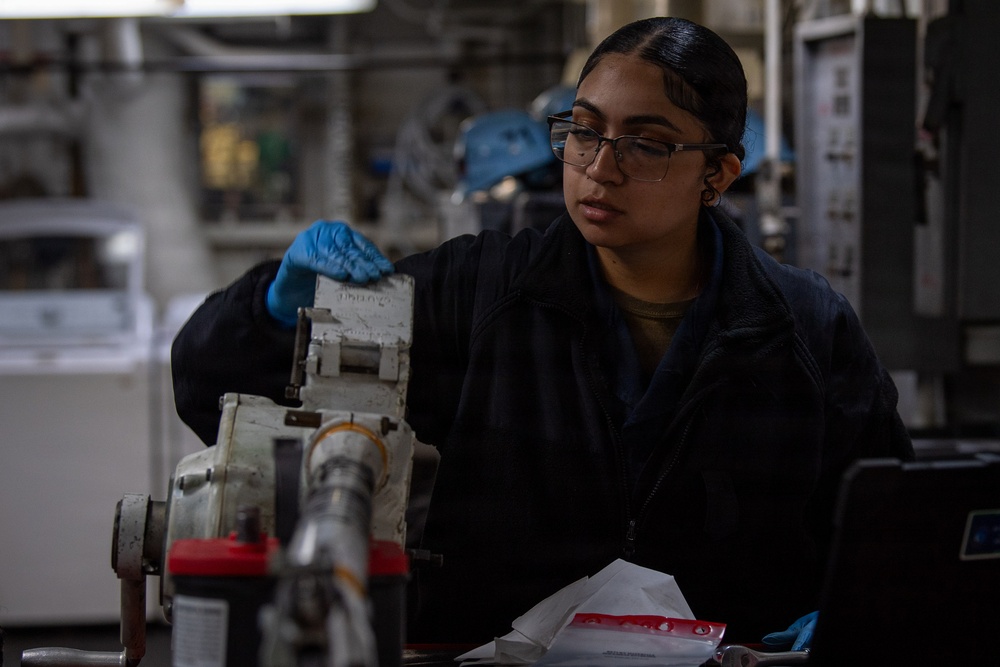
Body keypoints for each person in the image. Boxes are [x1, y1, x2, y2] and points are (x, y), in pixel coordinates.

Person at [171, 16, 913, 649]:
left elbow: (888, 522)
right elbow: (226, 400)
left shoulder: (805, 330)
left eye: (646, 143)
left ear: (717, 173)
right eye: (584, 131)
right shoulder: (480, 292)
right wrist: (271, 311)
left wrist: (852, 610)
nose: (599, 167)